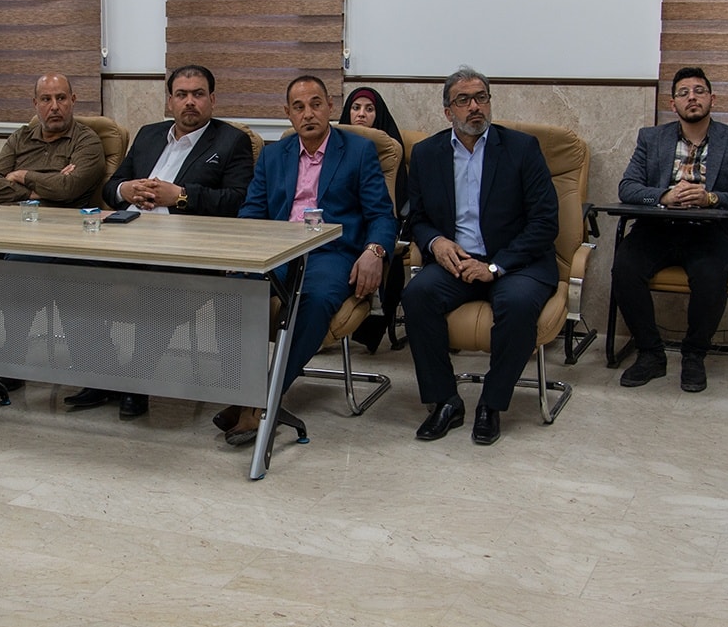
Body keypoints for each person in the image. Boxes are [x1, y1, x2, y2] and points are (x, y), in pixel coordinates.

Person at [65, 65, 254, 419]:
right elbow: (110, 187)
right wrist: (126, 190)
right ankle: (102, 373)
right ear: (170, 101)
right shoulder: (149, 135)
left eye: (198, 94)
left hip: (186, 250)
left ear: (213, 100)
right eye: (181, 95)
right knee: (70, 274)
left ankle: (138, 382)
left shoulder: (231, 141)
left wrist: (179, 196)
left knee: (157, 288)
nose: (189, 102)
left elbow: (237, 201)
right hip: (128, 238)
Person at [228, 75, 395, 445]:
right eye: (299, 107)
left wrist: (375, 251)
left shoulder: (358, 151)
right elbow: (252, 212)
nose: (308, 113)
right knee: (235, 287)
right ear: (288, 113)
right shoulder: (274, 155)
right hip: (277, 250)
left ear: (330, 107)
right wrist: (242, 252)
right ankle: (242, 390)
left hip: (332, 252)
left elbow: (382, 215)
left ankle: (262, 399)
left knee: (315, 299)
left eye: (316, 104)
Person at [400, 68, 559, 447]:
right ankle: (445, 401)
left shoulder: (522, 149)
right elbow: (415, 217)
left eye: (481, 98)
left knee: (517, 304)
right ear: (447, 111)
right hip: (457, 261)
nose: (475, 107)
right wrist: (435, 242)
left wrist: (495, 266)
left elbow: (545, 222)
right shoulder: (426, 154)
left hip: (516, 263)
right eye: (463, 100)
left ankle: (491, 403)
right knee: (417, 295)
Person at [610, 67, 728, 392]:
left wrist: (711, 198)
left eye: (699, 91)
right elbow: (628, 188)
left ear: (712, 99)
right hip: (659, 229)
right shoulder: (651, 138)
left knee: (710, 274)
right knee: (625, 265)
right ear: (673, 103)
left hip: (712, 233)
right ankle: (650, 353)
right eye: (683, 93)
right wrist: (663, 195)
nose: (692, 97)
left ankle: (694, 355)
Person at [339, 85, 410, 351]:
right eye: (356, 108)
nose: (361, 114)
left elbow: (400, 199)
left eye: (369, 109)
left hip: (377, 227)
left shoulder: (390, 149)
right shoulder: (331, 146)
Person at [0, 74, 107, 210]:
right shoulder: (20, 137)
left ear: (73, 100)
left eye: (61, 98)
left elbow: (67, 188)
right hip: (8, 216)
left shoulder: (87, 141)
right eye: (46, 99)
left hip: (55, 219)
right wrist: (33, 193)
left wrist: (20, 175)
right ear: (36, 104)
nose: (54, 107)